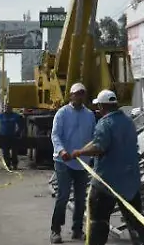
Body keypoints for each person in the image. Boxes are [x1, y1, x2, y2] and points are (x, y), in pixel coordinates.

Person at [64, 90, 144, 245]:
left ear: (103, 106)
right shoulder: (128, 122)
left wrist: (80, 152)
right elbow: (98, 141)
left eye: (99, 106)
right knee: (136, 222)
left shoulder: (104, 123)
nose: (98, 109)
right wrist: (80, 151)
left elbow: (99, 147)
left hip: (106, 182)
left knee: (98, 222)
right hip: (130, 181)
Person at [51, 83, 96, 244]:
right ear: (71, 96)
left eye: (82, 94)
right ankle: (55, 230)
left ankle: (77, 230)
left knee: (80, 198)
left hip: (81, 163)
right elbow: (55, 135)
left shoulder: (90, 115)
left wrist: (91, 154)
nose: (79, 96)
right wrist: (62, 150)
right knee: (62, 196)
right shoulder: (62, 113)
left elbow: (93, 136)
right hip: (64, 162)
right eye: (77, 94)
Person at [0, 102, 25, 170]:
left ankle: (15, 165)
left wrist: (19, 132)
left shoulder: (15, 116)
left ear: (11, 109)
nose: (7, 109)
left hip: (12, 136)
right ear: (4, 108)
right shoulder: (1, 115)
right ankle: (8, 165)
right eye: (6, 107)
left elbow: (21, 124)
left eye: (9, 108)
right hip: (3, 137)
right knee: (5, 152)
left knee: (14, 152)